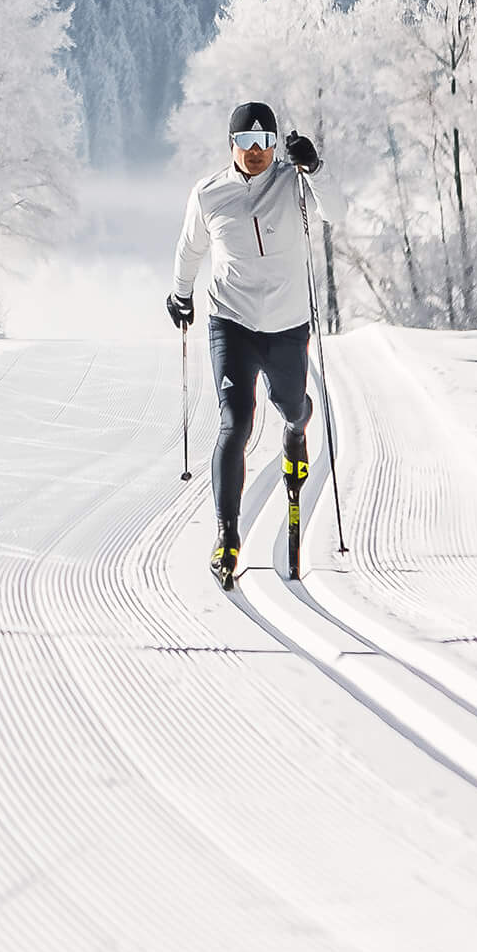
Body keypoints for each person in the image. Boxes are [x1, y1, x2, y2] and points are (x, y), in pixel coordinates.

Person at [167, 101, 323, 588]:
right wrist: (180, 294)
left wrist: (314, 167)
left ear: (275, 144)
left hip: (287, 325)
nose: (255, 152)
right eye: (246, 143)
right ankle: (226, 535)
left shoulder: (294, 185)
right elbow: (190, 247)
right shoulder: (210, 194)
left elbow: (335, 211)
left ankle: (296, 432)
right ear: (231, 145)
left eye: (264, 142)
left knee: (292, 407)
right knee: (235, 422)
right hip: (230, 322)